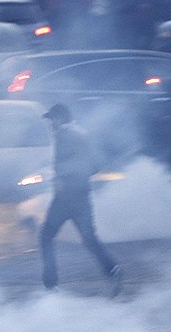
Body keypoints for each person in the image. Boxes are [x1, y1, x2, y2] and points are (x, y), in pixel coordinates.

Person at [39, 103, 123, 296]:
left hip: (65, 197)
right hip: (82, 195)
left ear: (60, 118)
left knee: (46, 236)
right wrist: (79, 176)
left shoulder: (63, 136)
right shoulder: (81, 133)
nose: (50, 123)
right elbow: (96, 165)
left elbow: (63, 166)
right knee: (89, 239)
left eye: (51, 119)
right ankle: (112, 270)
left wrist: (63, 178)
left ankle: (50, 286)